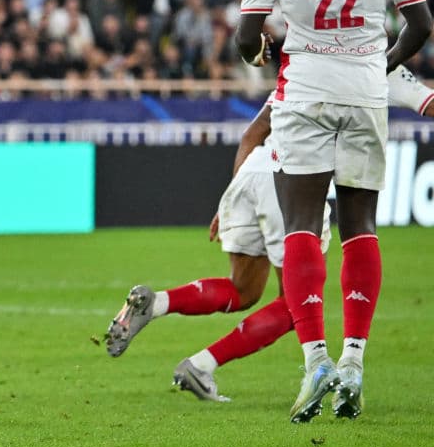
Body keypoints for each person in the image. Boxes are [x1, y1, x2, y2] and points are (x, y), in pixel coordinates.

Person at [234, 0, 431, 423]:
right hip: (366, 92)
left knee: (301, 222)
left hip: (306, 93)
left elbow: (247, 35)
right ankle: (354, 362)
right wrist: (378, 63)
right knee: (360, 225)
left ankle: (315, 359)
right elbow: (421, 25)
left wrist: (261, 53)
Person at [105, 65, 434, 403]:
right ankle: (202, 365)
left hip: (253, 169)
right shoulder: (376, 64)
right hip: (292, 180)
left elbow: (252, 134)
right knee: (295, 305)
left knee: (243, 290)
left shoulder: (302, 61)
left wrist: (232, 195)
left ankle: (157, 304)